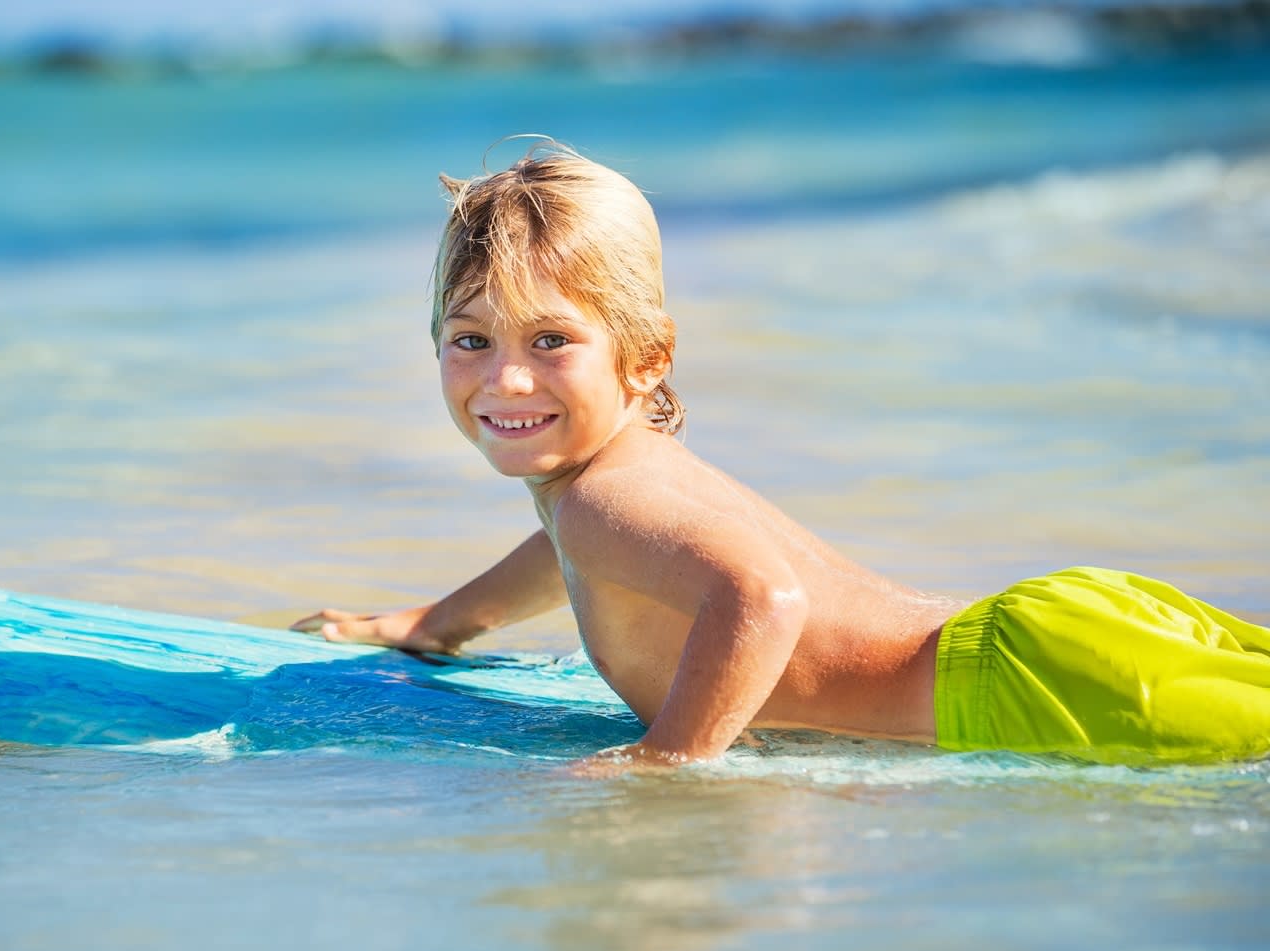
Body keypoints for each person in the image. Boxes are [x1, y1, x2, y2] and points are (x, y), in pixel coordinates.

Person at [293, 140, 1270, 770]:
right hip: (1048, 633)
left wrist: (669, 760)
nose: (506, 381)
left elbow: (761, 598)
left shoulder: (601, 503)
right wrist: (436, 621)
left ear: (644, 361)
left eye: (550, 342)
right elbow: (564, 557)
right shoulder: (597, 498)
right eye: (472, 341)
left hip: (1025, 688)